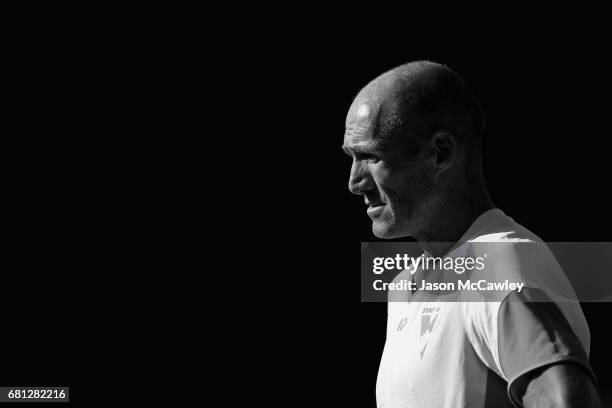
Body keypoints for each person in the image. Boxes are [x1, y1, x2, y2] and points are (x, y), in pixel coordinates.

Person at [344, 61, 601, 407]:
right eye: (351, 157)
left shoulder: (498, 268)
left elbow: (568, 400)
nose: (354, 182)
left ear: (441, 154)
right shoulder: (405, 285)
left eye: (370, 156)